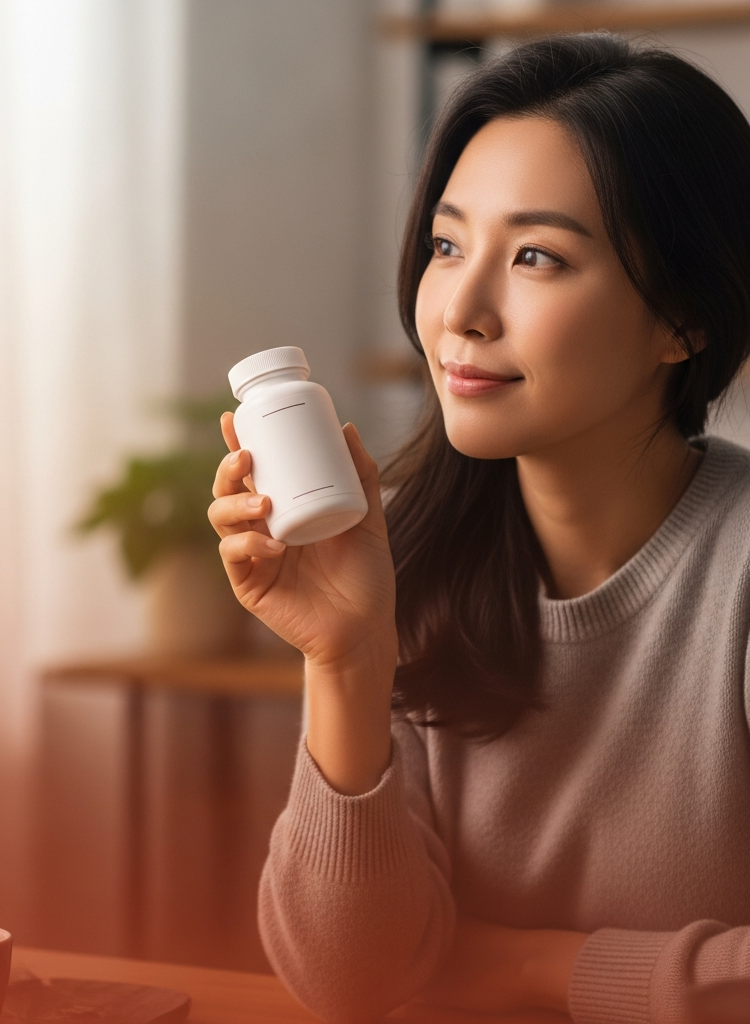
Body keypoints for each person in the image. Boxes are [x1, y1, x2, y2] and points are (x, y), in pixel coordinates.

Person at [207, 33, 750, 1024]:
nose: (458, 309)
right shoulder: (398, 548)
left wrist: (529, 969)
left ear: (684, 317)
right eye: (448, 245)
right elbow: (351, 982)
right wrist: (347, 658)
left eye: (536, 256)